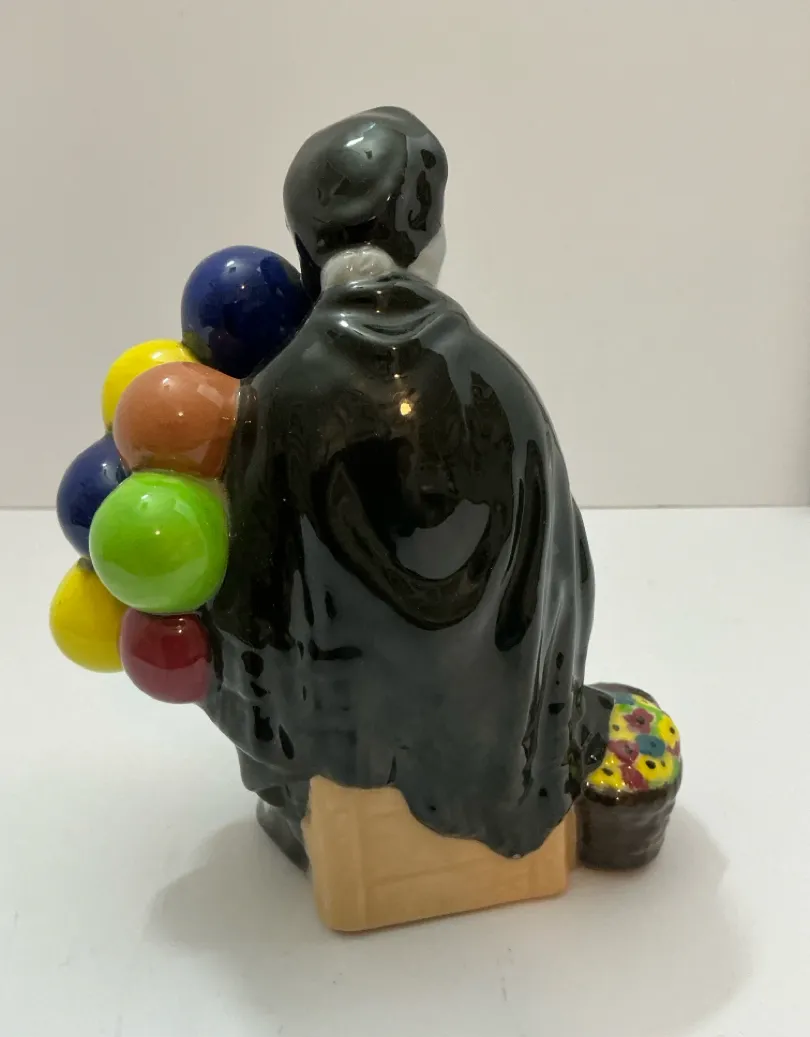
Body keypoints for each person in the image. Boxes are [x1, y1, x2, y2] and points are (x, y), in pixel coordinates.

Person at [202, 107, 677, 870]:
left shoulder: (276, 400)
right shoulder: (496, 385)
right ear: (426, 235)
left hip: (343, 752)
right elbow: (562, 585)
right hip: (500, 753)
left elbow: (247, 611)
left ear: (305, 252)